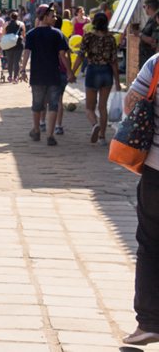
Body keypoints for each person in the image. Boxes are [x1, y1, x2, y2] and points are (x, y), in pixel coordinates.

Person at [119, 55, 159, 346]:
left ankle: (149, 324)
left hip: (157, 170)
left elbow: (130, 104)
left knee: (151, 243)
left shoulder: (156, 63)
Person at [19, 5, 75, 146]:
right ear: (44, 17)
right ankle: (50, 135)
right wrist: (69, 71)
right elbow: (62, 55)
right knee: (53, 105)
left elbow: (27, 52)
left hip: (37, 74)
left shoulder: (31, 34)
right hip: (53, 74)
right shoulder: (57, 34)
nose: (55, 18)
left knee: (37, 104)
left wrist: (23, 69)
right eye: (52, 15)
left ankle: (37, 130)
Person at [72, 12, 120, 144]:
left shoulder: (88, 36)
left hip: (93, 71)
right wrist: (117, 81)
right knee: (102, 107)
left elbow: (81, 56)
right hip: (107, 72)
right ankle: (102, 137)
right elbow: (114, 61)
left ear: (94, 23)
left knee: (89, 107)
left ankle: (95, 124)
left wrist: (72, 72)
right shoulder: (111, 38)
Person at [134, 0, 159, 73]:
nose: (144, 9)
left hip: (150, 58)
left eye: (144, 7)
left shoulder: (156, 20)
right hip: (146, 57)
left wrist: (139, 34)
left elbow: (153, 41)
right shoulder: (151, 19)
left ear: (148, 7)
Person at [3, 11, 26, 84]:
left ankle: (10, 76)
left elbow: (3, 34)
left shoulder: (6, 23)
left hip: (9, 44)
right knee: (17, 61)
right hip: (18, 44)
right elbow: (23, 35)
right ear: (17, 17)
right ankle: (15, 77)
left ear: (10, 17)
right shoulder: (21, 24)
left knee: (10, 61)